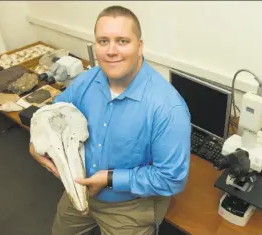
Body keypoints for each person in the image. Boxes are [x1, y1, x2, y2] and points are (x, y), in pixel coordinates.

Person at [29, 5, 191, 235]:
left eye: (122, 41)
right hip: (79, 187)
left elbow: (172, 179)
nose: (111, 51)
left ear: (140, 46)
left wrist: (110, 179)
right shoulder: (86, 81)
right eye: (103, 41)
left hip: (129, 205)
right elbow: (53, 115)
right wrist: (36, 144)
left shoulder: (168, 108)